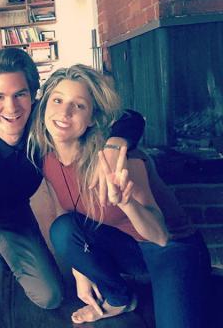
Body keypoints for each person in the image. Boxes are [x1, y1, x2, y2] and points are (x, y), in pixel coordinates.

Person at [0, 49, 145, 328]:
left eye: (20, 94)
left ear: (34, 95)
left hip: (12, 210)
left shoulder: (43, 122)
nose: (11, 107)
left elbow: (130, 117)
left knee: (50, 297)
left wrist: (114, 144)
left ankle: (5, 246)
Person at [27, 64, 211, 328]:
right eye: (57, 100)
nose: (65, 112)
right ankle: (119, 298)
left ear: (91, 118)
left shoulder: (117, 159)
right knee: (62, 228)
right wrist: (80, 271)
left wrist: (127, 203)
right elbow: (66, 215)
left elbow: (160, 236)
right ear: (44, 105)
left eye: (78, 105)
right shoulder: (47, 158)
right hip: (127, 249)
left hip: (172, 249)